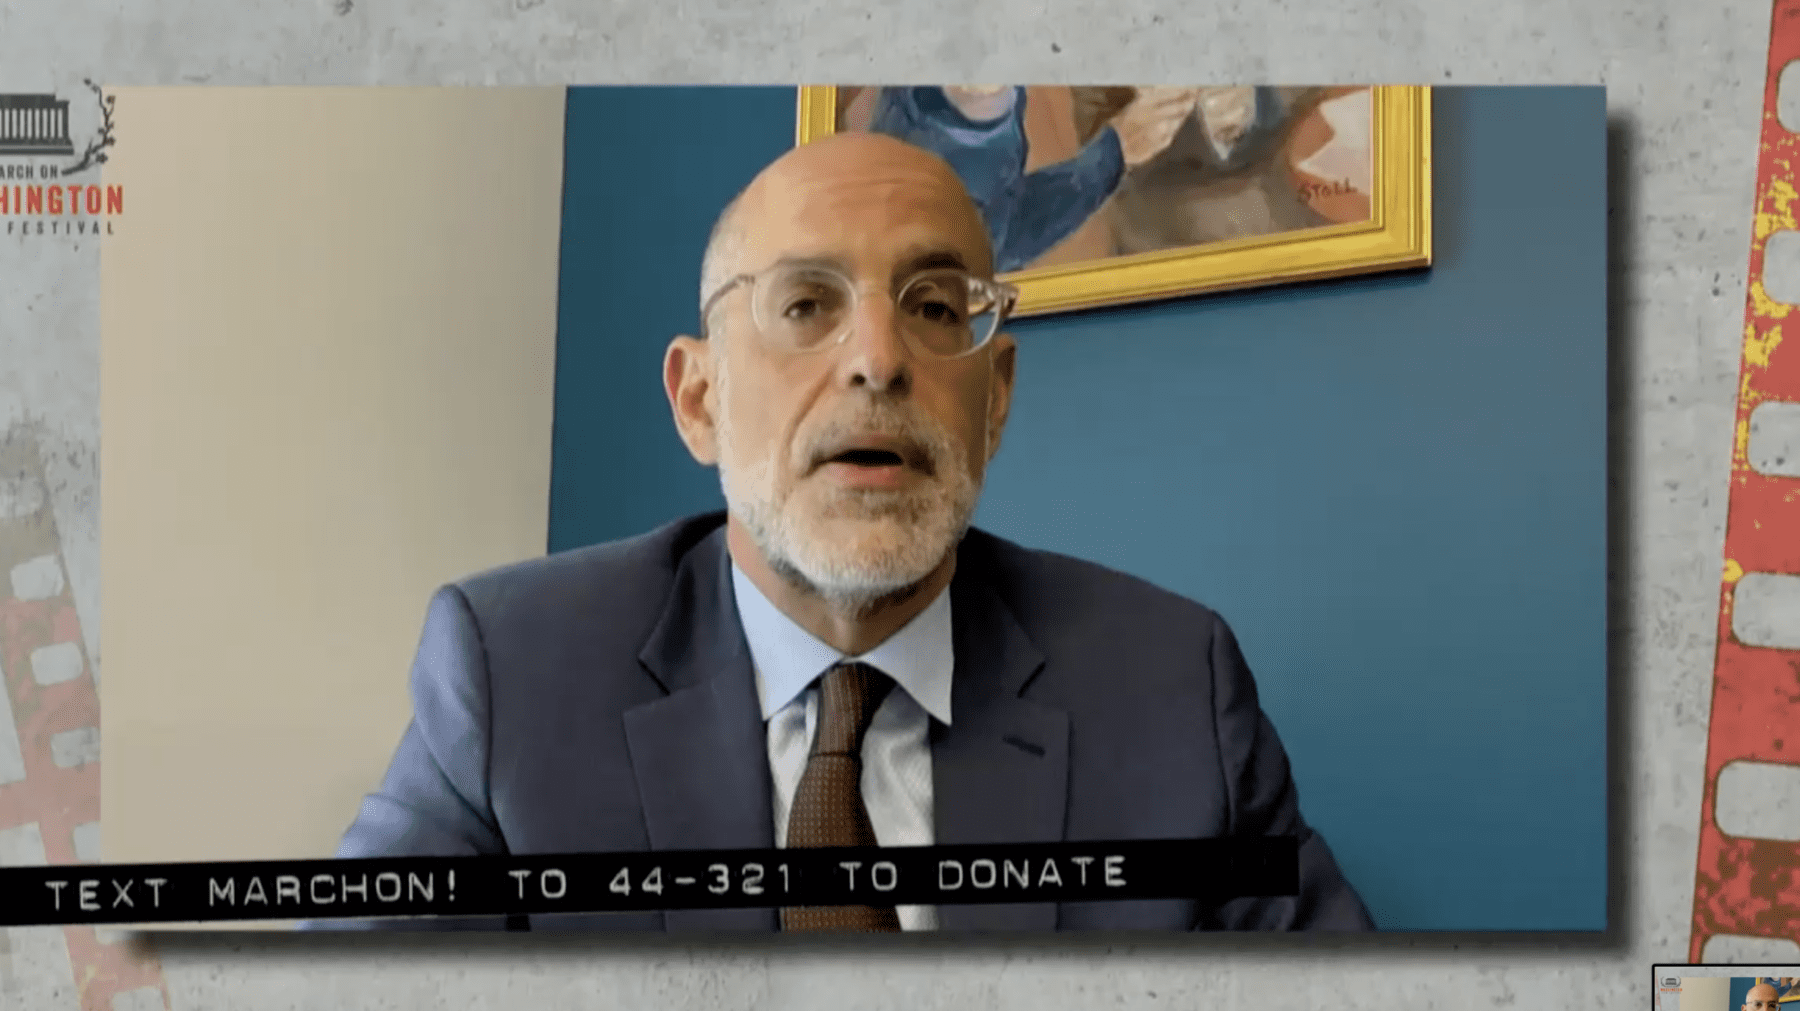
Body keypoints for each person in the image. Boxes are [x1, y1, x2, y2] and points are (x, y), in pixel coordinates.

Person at [328, 130, 1374, 933]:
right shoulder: (514, 675)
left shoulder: (1170, 689)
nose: (879, 358)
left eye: (935, 306)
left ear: (996, 398)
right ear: (699, 400)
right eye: (805, 305)